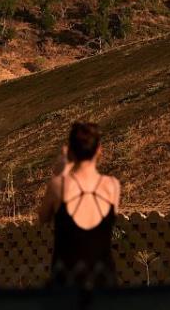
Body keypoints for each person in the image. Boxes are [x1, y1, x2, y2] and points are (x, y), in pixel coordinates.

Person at [38, 121, 120, 288]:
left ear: (71, 152)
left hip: (65, 285)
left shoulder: (58, 186)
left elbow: (42, 218)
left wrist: (62, 172)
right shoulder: (112, 186)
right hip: (104, 284)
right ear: (99, 150)